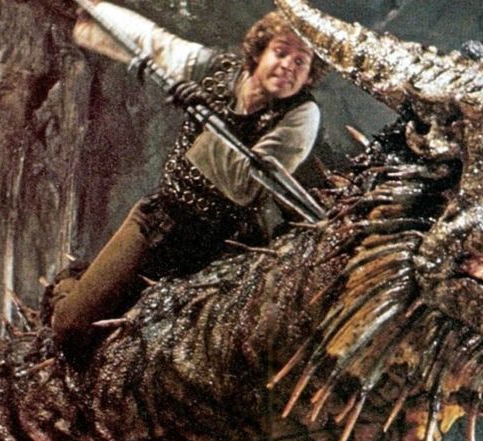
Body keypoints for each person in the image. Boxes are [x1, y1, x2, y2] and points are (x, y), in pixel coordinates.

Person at [49, 2, 327, 356]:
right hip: (159, 221)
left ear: (309, 76)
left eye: (301, 62)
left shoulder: (301, 115)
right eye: (281, 52)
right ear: (259, 53)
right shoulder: (218, 70)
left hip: (220, 251)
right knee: (71, 327)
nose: (288, 65)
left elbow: (246, 181)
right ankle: (68, 282)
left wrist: (205, 118)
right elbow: (155, 44)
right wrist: (96, 11)